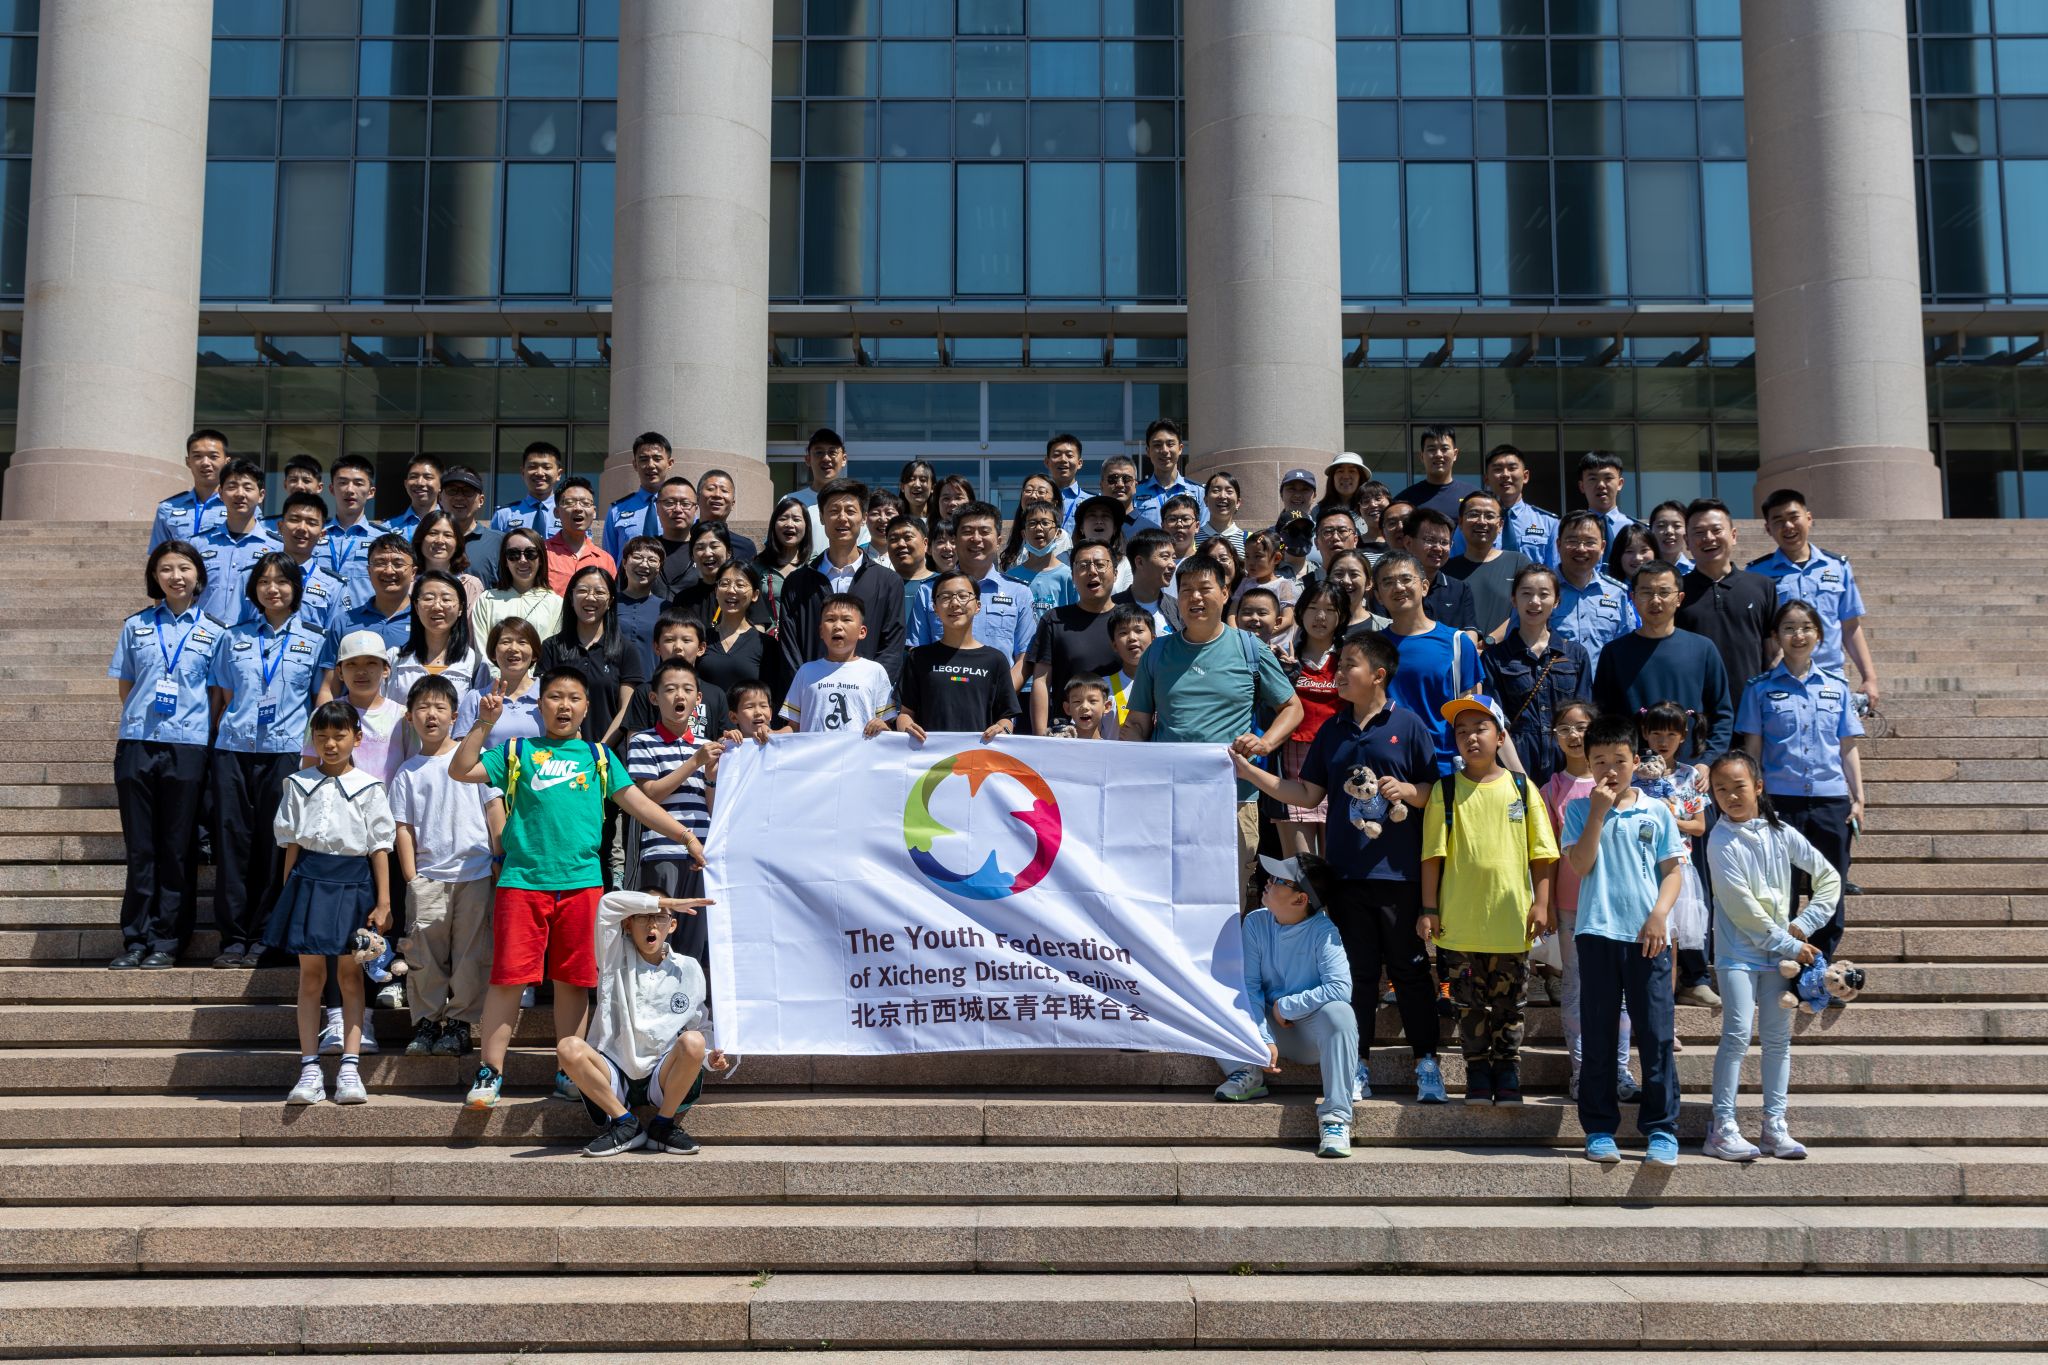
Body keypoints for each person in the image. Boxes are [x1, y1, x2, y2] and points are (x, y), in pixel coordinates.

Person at [451, 667, 710, 1109]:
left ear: (587, 708)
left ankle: (567, 1070)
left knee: (573, 980)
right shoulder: (516, 750)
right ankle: (490, 1071)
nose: (564, 706)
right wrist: (484, 723)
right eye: (555, 697)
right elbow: (461, 769)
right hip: (522, 882)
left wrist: (685, 836)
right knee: (509, 978)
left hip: (582, 885)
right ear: (540, 705)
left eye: (574, 698)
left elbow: (639, 803)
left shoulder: (598, 756)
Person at [1234, 633, 1446, 1105]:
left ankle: (1427, 1063)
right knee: (1360, 975)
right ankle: (1358, 1065)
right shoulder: (1332, 729)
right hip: (1346, 876)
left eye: (1350, 664)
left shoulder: (1409, 725)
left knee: (1410, 972)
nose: (1339, 672)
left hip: (1400, 876)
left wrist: (1408, 792)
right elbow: (1307, 794)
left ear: (1378, 675)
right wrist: (1253, 774)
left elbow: (1432, 792)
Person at [1124, 557, 1304, 903]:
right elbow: (1137, 724)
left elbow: (1292, 707)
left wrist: (1265, 743)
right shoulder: (1158, 652)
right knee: (1167, 893)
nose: (1195, 597)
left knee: (1226, 898)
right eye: (1186, 590)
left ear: (1224, 594)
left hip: (1234, 797)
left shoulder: (1249, 648)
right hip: (1170, 797)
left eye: (1204, 588)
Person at [1419, 696, 1559, 1105]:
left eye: (1480, 729)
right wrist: (1429, 910)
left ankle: (1508, 1071)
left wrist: (1542, 903)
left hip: (1510, 921)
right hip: (1460, 924)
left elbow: (1542, 853)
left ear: (1500, 737)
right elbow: (1432, 856)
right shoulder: (1446, 790)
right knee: (1468, 1005)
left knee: (1511, 1004)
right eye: (1461, 732)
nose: (1470, 738)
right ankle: (1477, 1072)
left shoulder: (1521, 787)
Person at [1703, 750, 1840, 1163]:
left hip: (1779, 955)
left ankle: (1774, 1125)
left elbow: (1828, 876)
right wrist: (1790, 944)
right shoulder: (1720, 840)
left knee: (1778, 1040)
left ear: (1758, 787)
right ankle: (1722, 1127)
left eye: (1738, 787)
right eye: (1720, 790)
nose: (1730, 796)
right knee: (1737, 1034)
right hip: (1738, 954)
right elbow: (1741, 907)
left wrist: (1806, 922)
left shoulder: (1781, 832)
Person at [1560, 712, 1684, 1166]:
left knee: (1655, 1034)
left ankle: (1661, 1129)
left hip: (1648, 937)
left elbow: (1672, 872)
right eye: (1599, 761)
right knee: (1598, 1034)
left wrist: (1659, 916)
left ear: (1636, 760)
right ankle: (1598, 1128)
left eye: (1618, 759)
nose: (1609, 769)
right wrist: (1597, 811)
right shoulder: (1579, 810)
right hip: (1596, 933)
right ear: (1588, 764)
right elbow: (1581, 865)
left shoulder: (1657, 810)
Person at [108, 541, 229, 970]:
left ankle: (167, 939)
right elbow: (126, 685)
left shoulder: (216, 632)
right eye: (166, 569)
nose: (176, 576)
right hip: (138, 742)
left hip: (188, 746)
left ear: (198, 576)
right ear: (154, 576)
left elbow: (217, 695)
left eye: (184, 568)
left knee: (177, 847)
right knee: (141, 847)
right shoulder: (135, 626)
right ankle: (135, 938)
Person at [271, 699, 396, 1106]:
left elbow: (379, 847)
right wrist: (288, 894)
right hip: (308, 882)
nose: (330, 744)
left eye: (339, 735)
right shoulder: (297, 783)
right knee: (310, 978)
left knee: (350, 976)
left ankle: (349, 1068)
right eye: (322, 736)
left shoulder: (370, 788)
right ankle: (309, 1069)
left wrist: (383, 902)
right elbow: (291, 845)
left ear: (356, 738)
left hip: (353, 884)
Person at [208, 553, 328, 967]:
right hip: (234, 750)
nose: (272, 589)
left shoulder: (315, 638)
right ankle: (233, 937)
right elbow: (225, 697)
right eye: (263, 581)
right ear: (253, 589)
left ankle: (266, 935)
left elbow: (317, 699)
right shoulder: (233, 637)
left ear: (296, 588)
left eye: (281, 581)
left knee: (276, 845)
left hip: (286, 753)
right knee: (233, 842)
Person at [1736, 599, 1866, 962]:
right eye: (1789, 628)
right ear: (1776, 636)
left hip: (1830, 800)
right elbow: (1753, 750)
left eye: (1806, 628)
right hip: (1780, 801)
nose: (1798, 635)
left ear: (1819, 635)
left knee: (1829, 884)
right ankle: (1785, 960)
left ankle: (1820, 966)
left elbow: (1847, 747)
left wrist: (1858, 797)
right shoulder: (1759, 688)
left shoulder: (1837, 687)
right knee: (1781, 888)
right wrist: (1755, 801)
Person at [560, 890, 730, 1157]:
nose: (652, 924)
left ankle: (663, 1125)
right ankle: (625, 1124)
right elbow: (607, 904)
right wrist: (669, 903)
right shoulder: (613, 955)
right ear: (628, 923)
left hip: (662, 1072)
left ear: (672, 925)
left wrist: (710, 1058)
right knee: (568, 1047)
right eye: (643, 916)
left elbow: (699, 1021)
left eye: (660, 918)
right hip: (616, 1068)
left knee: (694, 1041)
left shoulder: (688, 967)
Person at [1212, 853, 1359, 1159]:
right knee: (1219, 995)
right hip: (1269, 1029)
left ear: (1300, 899)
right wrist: (1262, 1038)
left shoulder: (1324, 931)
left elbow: (1340, 988)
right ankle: (1246, 1071)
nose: (1268, 881)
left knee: (1341, 1013)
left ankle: (1335, 1119)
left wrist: (1287, 1006)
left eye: (1279, 879)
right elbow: (1249, 987)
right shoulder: (1255, 922)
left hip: (1308, 1036)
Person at [389, 675, 504, 1060]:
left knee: (472, 954)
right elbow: (402, 828)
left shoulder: (475, 758)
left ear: (455, 716)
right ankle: (426, 1022)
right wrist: (412, 878)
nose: (431, 715)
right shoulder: (407, 772)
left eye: (440, 707)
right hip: (428, 877)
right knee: (423, 954)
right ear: (409, 717)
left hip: (475, 872)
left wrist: (499, 858)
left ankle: (459, 1025)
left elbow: (494, 810)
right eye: (422, 707)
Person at [1540, 700, 1636, 1103]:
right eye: (1564, 729)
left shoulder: (1628, 787)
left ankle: (1621, 1070)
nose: (1574, 735)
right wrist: (1544, 902)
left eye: (1581, 727)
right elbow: (1545, 854)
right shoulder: (1551, 790)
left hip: (1620, 904)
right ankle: (1582, 1072)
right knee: (1576, 988)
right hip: (1572, 903)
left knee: (1623, 992)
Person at [625, 658, 722, 981]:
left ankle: (686, 1001)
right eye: (669, 689)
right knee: (659, 930)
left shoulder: (708, 748)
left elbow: (713, 805)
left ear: (698, 698)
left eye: (687, 689)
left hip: (702, 853)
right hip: (662, 851)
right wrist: (694, 762)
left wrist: (709, 775)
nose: (679, 695)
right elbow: (648, 796)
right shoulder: (643, 741)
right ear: (654, 698)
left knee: (694, 936)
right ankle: (655, 996)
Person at [1750, 488, 1880, 708]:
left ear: (1809, 519)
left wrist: (1869, 678)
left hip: (1830, 678)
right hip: (1781, 679)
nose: (1788, 526)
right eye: (1778, 520)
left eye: (1794, 517)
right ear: (1768, 529)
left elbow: (1850, 627)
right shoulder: (1757, 573)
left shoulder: (1837, 567)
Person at [1592, 561, 1734, 762]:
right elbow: (1604, 718)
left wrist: (1708, 761)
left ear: (1679, 598)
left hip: (1692, 771)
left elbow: (1722, 714)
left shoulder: (1703, 649)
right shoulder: (1614, 653)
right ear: (1633, 598)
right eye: (1646, 592)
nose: (1655, 600)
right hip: (1633, 770)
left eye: (1664, 592)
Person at [779, 477, 906, 691]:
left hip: (867, 700)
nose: (842, 518)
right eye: (834, 511)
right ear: (821, 517)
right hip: (811, 698)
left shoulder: (888, 581)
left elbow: (892, 648)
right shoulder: (797, 582)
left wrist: (868, 691)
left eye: (850, 511)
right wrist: (807, 691)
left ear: (863, 517)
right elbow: (789, 648)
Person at [1635, 700, 1716, 1008]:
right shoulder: (1633, 771)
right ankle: (1640, 1008)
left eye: (1671, 734)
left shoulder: (1690, 775)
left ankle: (1665, 1011)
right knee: (1642, 940)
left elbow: (1699, 826)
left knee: (1670, 943)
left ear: (1683, 736)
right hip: (1639, 865)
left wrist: (1668, 819)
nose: (1663, 741)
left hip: (1677, 867)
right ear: (1645, 733)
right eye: (1656, 733)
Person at [1371, 552, 1482, 776]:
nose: (1398, 587)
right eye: (1388, 582)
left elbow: (1472, 711)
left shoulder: (1458, 643)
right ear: (1378, 596)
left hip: (1444, 767)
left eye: (1406, 579)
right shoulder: (1372, 648)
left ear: (1424, 587)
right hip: (1386, 768)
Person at [1482, 565, 1593, 788]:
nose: (1534, 602)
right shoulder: (1495, 657)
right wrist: (1520, 778)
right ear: (1514, 600)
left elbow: (1585, 719)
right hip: (1516, 760)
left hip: (1567, 762)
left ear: (1557, 601)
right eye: (1526, 593)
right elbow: (1496, 720)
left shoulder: (1575, 654)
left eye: (1544, 594)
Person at [1268, 581, 1348, 857]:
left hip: (1338, 760)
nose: (1320, 617)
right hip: (1292, 761)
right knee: (1300, 862)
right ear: (1300, 612)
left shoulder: (1350, 657)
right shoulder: (1282, 656)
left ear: (1342, 616)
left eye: (1330, 610)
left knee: (1334, 860)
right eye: (1313, 608)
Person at [906, 501, 1038, 670]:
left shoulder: (1019, 592)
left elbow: (1025, 657)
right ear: (955, 540)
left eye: (984, 532)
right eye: (967, 532)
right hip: (941, 685)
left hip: (1000, 686)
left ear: (998, 541)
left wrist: (1003, 687)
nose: (976, 539)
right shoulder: (929, 590)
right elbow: (917, 651)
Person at [897, 571, 1021, 744]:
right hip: (930, 755)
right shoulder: (918, 658)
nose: (955, 603)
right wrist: (907, 728)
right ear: (935, 608)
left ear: (978, 606)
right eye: (945, 597)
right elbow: (905, 714)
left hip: (977, 754)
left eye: (963, 596)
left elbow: (1006, 718)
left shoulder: (995, 660)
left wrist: (1002, 729)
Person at [542, 565, 649, 757]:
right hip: (560, 754)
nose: (590, 598)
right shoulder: (552, 647)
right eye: (583, 590)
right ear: (571, 597)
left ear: (610, 601)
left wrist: (600, 749)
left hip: (609, 755)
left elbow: (626, 708)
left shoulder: (625, 650)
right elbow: (545, 703)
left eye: (599, 592)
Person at [1025, 540, 1122, 735]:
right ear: (1073, 576)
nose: (1092, 571)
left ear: (1115, 573)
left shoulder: (1130, 621)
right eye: (1083, 566)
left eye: (1100, 564)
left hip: (1122, 734)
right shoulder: (1054, 620)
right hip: (1067, 734)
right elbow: (1041, 681)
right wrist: (1040, 737)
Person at [780, 595, 899, 736]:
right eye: (830, 619)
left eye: (846, 619)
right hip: (816, 751)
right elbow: (793, 727)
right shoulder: (806, 671)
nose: (837, 626)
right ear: (821, 631)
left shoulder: (875, 671)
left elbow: (886, 724)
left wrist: (883, 727)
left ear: (862, 632)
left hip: (861, 750)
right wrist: (771, 735)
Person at [317, 535, 416, 695]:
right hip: (352, 711)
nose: (389, 570)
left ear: (413, 573)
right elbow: (329, 688)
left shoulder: (425, 620)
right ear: (369, 571)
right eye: (380, 563)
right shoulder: (344, 622)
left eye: (398, 564)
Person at [385, 569, 492, 711]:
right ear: (416, 606)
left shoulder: (475, 664)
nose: (437, 606)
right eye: (428, 598)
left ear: (461, 608)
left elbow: (478, 716)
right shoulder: (393, 659)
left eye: (446, 599)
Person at [191, 458, 280, 625]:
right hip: (206, 634)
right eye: (232, 487)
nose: (240, 494)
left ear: (261, 495)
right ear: (220, 493)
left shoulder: (277, 547)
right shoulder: (199, 544)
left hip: (253, 636)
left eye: (247, 488)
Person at [621, 614, 732, 744]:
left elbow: (724, 740)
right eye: (669, 640)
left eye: (686, 640)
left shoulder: (716, 695)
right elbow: (634, 744)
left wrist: (729, 739)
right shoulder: (645, 692)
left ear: (701, 648)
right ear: (657, 647)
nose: (678, 647)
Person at [1552, 510, 1637, 677]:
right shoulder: (1541, 590)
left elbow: (1628, 648)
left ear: (1602, 547)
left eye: (1590, 542)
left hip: (1603, 688)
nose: (1581, 549)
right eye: (1572, 541)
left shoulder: (1617, 593)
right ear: (1558, 544)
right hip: (1553, 688)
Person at [1444, 490, 1531, 637]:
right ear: (1461, 523)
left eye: (1489, 516)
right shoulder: (1445, 570)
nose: (1481, 521)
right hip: (1458, 649)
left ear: (1500, 525)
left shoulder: (1518, 563)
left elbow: (1528, 608)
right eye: (1473, 514)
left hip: (1508, 650)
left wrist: (1490, 641)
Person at [271, 491, 349, 635]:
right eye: (295, 519)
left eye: (311, 523)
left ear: (322, 535)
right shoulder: (253, 575)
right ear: (280, 527)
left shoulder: (334, 586)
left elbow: (335, 638)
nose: (302, 528)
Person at [469, 526, 563, 645]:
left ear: (541, 559)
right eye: (513, 554)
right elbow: (481, 647)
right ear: (505, 560)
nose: (522, 560)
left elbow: (555, 649)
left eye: (530, 553)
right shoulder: (486, 600)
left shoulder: (555, 603)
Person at [457, 618, 545, 743]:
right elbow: (461, 750)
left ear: (534, 653)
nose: (513, 648)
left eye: (522, 642)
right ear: (493, 653)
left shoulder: (550, 696)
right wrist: (484, 721)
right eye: (505, 642)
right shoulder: (476, 698)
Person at [319, 455, 389, 610]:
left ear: (371, 492)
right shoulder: (313, 536)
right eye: (342, 483)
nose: (350, 490)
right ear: (332, 489)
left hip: (363, 621)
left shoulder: (384, 540)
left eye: (358, 483)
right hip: (317, 621)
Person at [149, 429, 231, 552]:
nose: (205, 463)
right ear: (188, 462)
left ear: (226, 462)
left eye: (213, 456)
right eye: (197, 456)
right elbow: (158, 556)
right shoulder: (168, 508)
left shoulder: (241, 505)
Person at [600, 431, 675, 564]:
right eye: (644, 459)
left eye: (657, 459)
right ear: (635, 464)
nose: (650, 465)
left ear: (669, 463)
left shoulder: (682, 509)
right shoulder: (617, 510)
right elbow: (609, 560)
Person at [1481, 444, 1559, 569]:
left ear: (1525, 476)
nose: (1505, 474)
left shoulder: (1549, 523)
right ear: (1486, 479)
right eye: (1498, 469)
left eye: (1512, 468)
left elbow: (1555, 571)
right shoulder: (1474, 522)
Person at [792, 427, 868, 549]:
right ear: (808, 459)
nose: (826, 458)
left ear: (844, 459)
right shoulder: (791, 502)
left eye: (832, 452)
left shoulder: (856, 503)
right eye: (819, 452)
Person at [1406, 509, 1479, 631]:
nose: (1438, 548)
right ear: (1408, 543)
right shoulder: (1394, 586)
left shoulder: (1460, 589)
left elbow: (1470, 630)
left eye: (1444, 542)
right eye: (1430, 540)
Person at [1001, 499, 1076, 616]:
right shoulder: (1010, 577)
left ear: (1058, 533)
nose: (1039, 528)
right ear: (1024, 534)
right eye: (1032, 523)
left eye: (1045, 523)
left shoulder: (1070, 577)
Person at [541, 477, 614, 593]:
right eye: (569, 503)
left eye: (585, 503)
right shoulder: (542, 553)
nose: (578, 508)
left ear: (594, 512)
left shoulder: (606, 560)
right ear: (556, 512)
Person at [1395, 426, 1480, 525]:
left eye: (1444, 449)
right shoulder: (1406, 499)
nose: (1438, 454)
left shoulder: (1473, 496)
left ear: (1455, 454)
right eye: (1431, 449)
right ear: (1422, 456)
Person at [438, 466, 503, 588]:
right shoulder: (427, 541)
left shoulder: (499, 542)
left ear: (481, 500)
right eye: (452, 490)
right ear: (440, 498)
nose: (459, 497)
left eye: (468, 491)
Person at [1112, 527, 1182, 638]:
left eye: (1173, 558)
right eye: (1165, 557)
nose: (1172, 564)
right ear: (1140, 562)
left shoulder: (1177, 607)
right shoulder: (1113, 607)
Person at [1131, 417, 1201, 526]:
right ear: (1148, 451)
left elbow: (1203, 533)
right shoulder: (1135, 493)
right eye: (1157, 445)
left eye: (1170, 444)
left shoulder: (1199, 492)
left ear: (1180, 449)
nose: (1164, 450)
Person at [410, 510, 486, 609]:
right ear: (420, 539)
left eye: (448, 535)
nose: (440, 541)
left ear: (457, 543)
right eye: (433, 533)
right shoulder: (407, 584)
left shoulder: (470, 585)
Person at [490, 440, 562, 537]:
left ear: (558, 474)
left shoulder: (568, 513)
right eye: (532, 467)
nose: (539, 473)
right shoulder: (504, 515)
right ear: (523, 472)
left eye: (547, 467)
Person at [757, 494, 819, 605]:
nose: (789, 524)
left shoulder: (817, 563)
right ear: (773, 525)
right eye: (783, 519)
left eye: (796, 519)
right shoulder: (758, 565)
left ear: (806, 526)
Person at [614, 534, 669, 658]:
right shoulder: (609, 603)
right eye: (637, 557)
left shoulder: (666, 608)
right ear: (624, 563)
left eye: (652, 560)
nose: (644, 565)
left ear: (659, 568)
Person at [1104, 603, 1155, 731]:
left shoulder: (1169, 685)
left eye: (1139, 631)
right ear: (1114, 645)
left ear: (1154, 639)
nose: (1132, 638)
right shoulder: (1102, 688)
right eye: (1123, 632)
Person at [695, 468, 757, 561]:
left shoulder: (745, 548)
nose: (717, 495)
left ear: (733, 504)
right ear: (697, 499)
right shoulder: (683, 539)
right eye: (710, 489)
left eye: (724, 490)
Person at [1576, 452, 1635, 546]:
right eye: (1593, 479)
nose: (1601, 485)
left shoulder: (1634, 527)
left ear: (1620, 484)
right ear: (1582, 486)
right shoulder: (1572, 528)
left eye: (1608, 478)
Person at [1314, 453, 1372, 543]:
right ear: (1332, 477)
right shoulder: (1317, 511)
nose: (1346, 476)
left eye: (1352, 471)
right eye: (1340, 471)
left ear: (1360, 477)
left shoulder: (1371, 509)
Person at [384, 454, 443, 536]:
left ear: (441, 484)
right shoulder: (388, 528)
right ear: (405, 484)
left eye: (428, 477)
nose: (420, 483)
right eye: (414, 477)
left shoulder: (452, 524)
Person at [1043, 434, 1087, 529]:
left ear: (1079, 463)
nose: (1063, 459)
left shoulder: (1091, 500)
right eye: (1056, 455)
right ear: (1047, 462)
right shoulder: (1039, 499)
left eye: (1069, 455)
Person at [1202, 471, 1246, 556]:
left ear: (1238, 502)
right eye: (1216, 490)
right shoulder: (1192, 539)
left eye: (1229, 491)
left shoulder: (1248, 540)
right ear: (1206, 500)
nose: (1222, 496)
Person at [1057, 674, 1114, 740]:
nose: (1084, 707)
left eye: (1092, 701)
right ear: (1068, 708)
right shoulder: (1056, 743)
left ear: (1106, 707)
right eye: (1077, 701)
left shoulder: (1110, 746)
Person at [1648, 500, 1694, 575]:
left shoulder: (1696, 572)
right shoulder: (1642, 573)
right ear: (1651, 530)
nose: (1669, 531)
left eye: (1677, 526)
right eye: (1661, 525)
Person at [865, 488, 906, 561]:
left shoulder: (909, 553)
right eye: (875, 513)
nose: (883, 519)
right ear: (865, 518)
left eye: (889, 513)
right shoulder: (857, 555)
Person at [899, 458, 938, 524]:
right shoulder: (896, 522)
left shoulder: (940, 522)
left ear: (932, 488)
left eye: (923, 480)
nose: (917, 485)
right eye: (911, 479)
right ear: (902, 487)